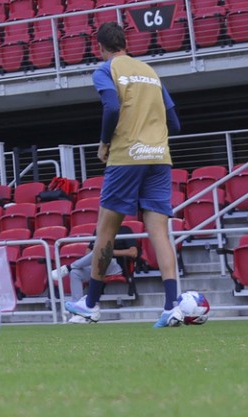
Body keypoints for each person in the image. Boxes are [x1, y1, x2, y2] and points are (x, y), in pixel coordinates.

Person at [64, 21, 184, 327]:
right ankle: (172, 305)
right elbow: (174, 122)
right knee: (159, 232)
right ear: (126, 44)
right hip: (159, 157)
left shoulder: (105, 70)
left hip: (127, 156)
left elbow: (112, 107)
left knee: (105, 230)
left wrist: (105, 142)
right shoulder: (150, 71)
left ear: (99, 47)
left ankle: (90, 304)